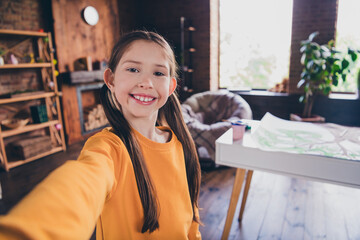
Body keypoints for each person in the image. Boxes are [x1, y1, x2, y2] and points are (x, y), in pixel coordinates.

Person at [0, 30, 202, 239]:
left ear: (171, 86)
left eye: (158, 73)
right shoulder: (106, 149)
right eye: (133, 69)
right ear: (111, 80)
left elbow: (190, 212)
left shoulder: (180, 144)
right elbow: (80, 185)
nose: (146, 82)